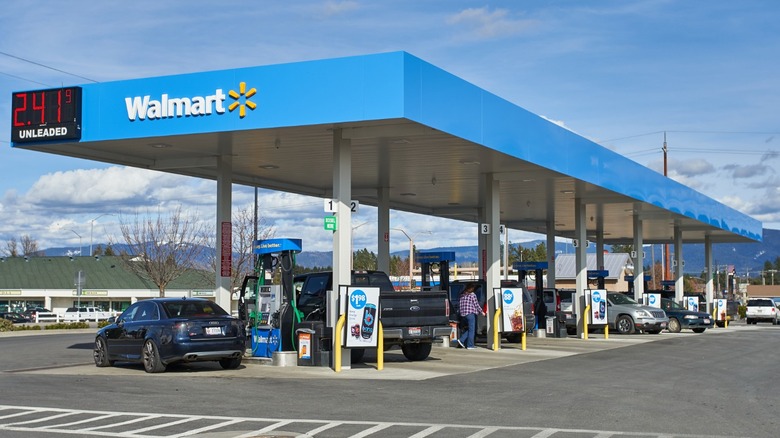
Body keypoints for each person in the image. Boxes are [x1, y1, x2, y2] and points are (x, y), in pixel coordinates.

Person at [457, 284, 485, 349]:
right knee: (472, 330)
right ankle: (470, 345)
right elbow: (476, 305)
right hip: (470, 314)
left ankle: (461, 340)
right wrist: (482, 312)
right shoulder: (472, 295)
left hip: (463, 314)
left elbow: (460, 305)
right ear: (472, 288)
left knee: (470, 329)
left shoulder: (462, 295)